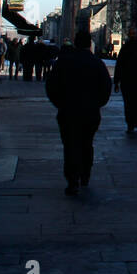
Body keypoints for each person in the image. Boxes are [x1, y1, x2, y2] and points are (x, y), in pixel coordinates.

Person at [45, 30, 112, 196]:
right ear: (90, 44)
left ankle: (72, 180)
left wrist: (60, 104)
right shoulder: (97, 63)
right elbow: (106, 88)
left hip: (68, 111)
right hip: (90, 112)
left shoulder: (64, 62)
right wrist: (97, 104)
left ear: (75, 43)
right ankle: (85, 174)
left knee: (70, 145)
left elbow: (51, 86)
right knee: (86, 143)